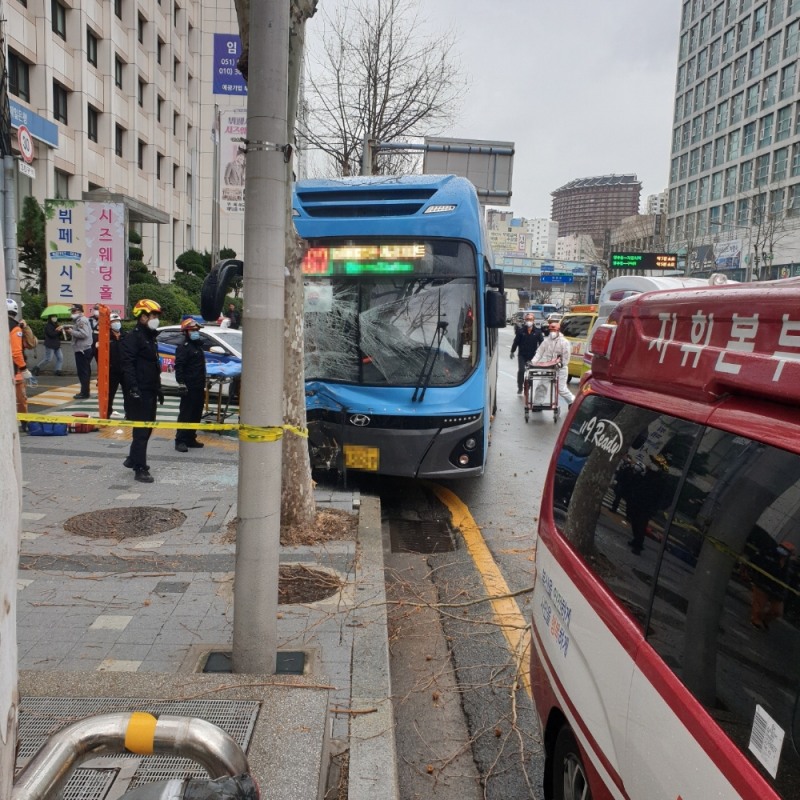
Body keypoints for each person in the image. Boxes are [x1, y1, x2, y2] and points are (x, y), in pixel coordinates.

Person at [121, 298, 164, 483]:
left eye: (156, 316)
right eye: (152, 315)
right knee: (141, 431)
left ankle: (133, 458)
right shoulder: (133, 337)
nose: (155, 319)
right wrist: (133, 388)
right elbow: (127, 365)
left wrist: (158, 388)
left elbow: (153, 365)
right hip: (139, 391)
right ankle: (140, 468)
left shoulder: (150, 336)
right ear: (142, 317)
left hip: (150, 389)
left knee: (147, 428)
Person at [174, 318, 207, 452]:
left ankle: (190, 438)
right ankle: (180, 440)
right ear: (186, 332)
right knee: (186, 414)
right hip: (189, 386)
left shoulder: (197, 346)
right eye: (193, 330)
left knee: (196, 413)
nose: (196, 332)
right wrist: (181, 383)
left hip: (199, 386)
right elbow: (179, 366)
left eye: (197, 330)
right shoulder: (184, 347)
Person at [750, 539, 795, 630]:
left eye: (786, 550)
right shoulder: (769, 554)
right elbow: (756, 561)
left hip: (778, 590)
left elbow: (788, 579)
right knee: (759, 605)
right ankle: (756, 620)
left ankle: (764, 620)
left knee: (777, 611)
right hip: (763, 583)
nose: (783, 550)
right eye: (782, 548)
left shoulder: (789, 565)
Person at [530, 321, 574, 410]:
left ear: (558, 331)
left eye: (554, 330)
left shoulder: (564, 342)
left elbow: (566, 356)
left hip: (560, 368)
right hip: (548, 367)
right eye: (551, 330)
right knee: (542, 385)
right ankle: (537, 404)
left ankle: (572, 401)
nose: (552, 332)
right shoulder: (547, 341)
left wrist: (562, 363)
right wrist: (533, 362)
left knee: (561, 389)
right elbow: (539, 352)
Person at [510, 312, 543, 394]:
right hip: (522, 355)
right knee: (521, 370)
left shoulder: (538, 332)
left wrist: (541, 353)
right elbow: (516, 342)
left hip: (532, 355)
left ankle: (529, 386)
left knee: (531, 372)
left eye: (530, 320)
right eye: (527, 319)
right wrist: (512, 351)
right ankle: (520, 386)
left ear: (533, 320)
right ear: (525, 320)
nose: (529, 321)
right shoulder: (521, 331)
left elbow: (542, 344)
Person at [8, 298, 28, 429]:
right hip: (14, 369)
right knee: (21, 398)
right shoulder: (15, 328)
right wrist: (24, 368)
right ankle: (25, 422)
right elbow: (16, 352)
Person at [68, 303, 93, 399]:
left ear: (79, 311)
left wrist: (72, 332)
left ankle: (84, 393)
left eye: (74, 311)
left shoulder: (81, 320)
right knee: (84, 372)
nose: (72, 313)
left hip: (82, 350)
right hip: (83, 349)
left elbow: (84, 334)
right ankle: (85, 391)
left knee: (83, 372)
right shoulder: (80, 320)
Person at [105, 312, 126, 419]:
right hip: (112, 370)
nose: (116, 323)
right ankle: (106, 414)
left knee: (128, 394)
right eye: (114, 322)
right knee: (109, 394)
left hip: (125, 369)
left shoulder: (125, 335)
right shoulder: (106, 337)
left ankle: (129, 414)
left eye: (118, 321)